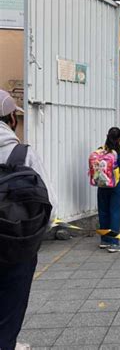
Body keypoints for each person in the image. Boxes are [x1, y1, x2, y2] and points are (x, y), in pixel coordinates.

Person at [0, 90, 57, 350]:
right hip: (15, 247)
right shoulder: (23, 154)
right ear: (11, 118)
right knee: (9, 315)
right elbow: (51, 207)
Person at [97, 127, 120, 253]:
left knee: (103, 211)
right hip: (116, 184)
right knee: (115, 212)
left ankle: (104, 240)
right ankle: (114, 243)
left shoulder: (100, 151)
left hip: (101, 184)